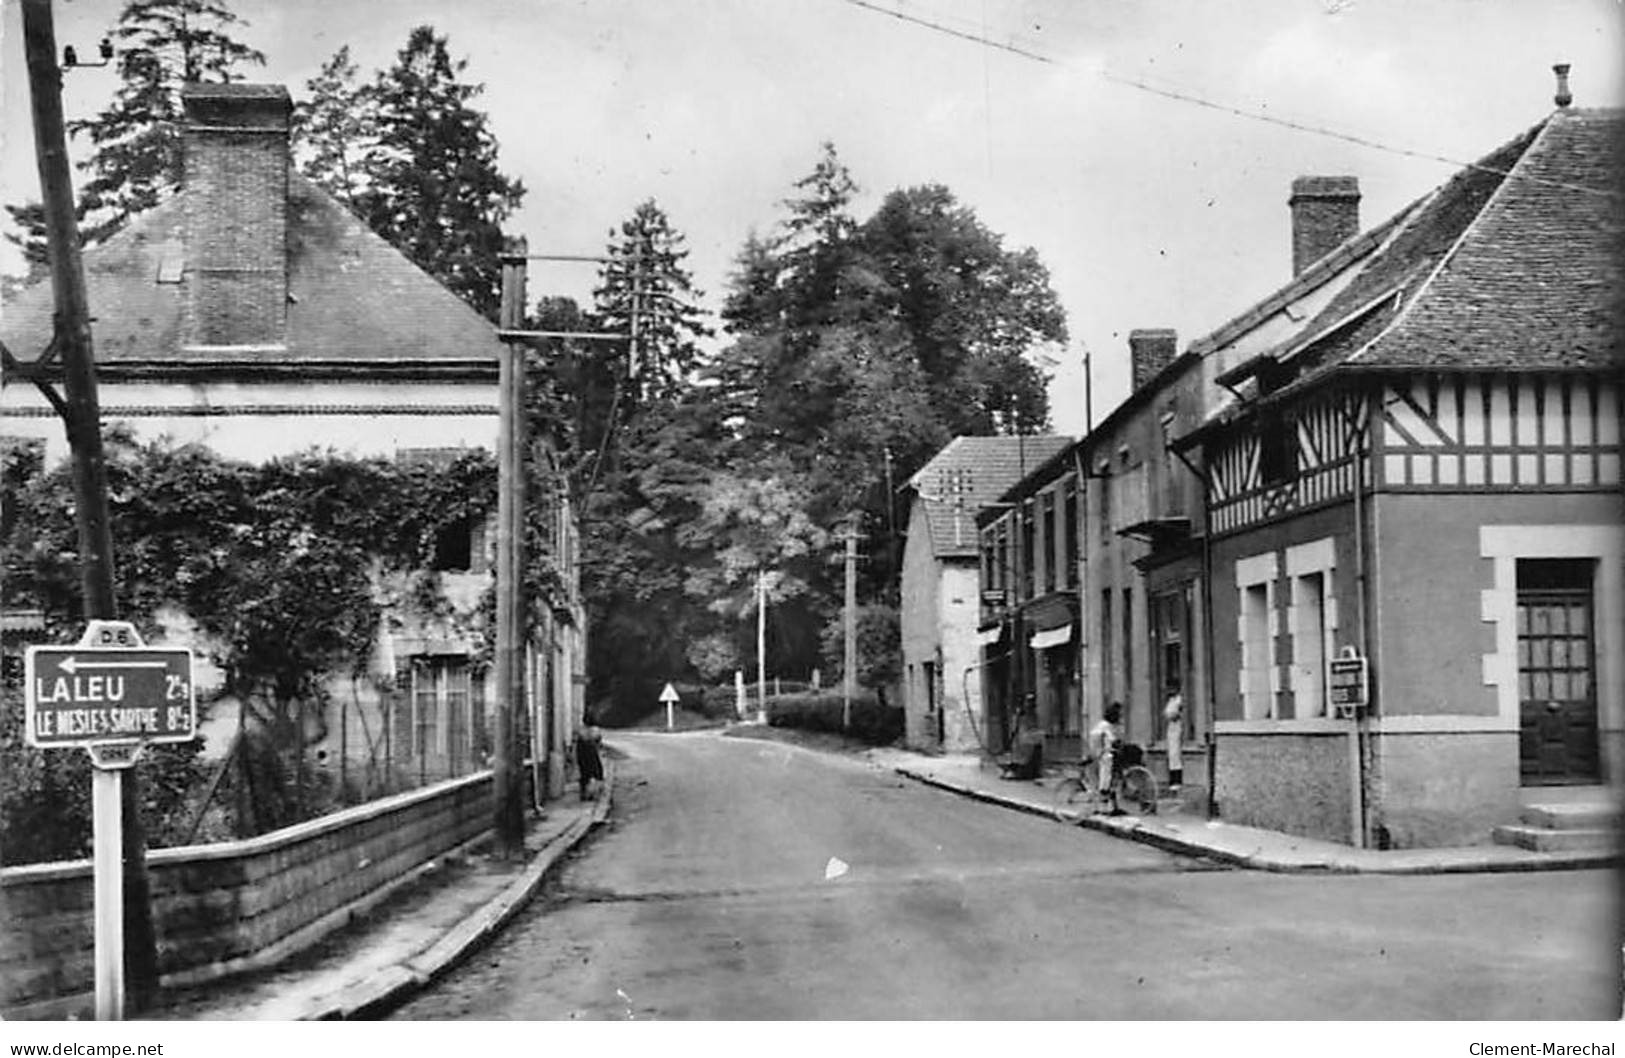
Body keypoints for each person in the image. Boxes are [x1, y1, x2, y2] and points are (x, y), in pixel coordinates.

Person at [1088, 702, 1125, 813]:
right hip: (1103, 754)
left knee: (1113, 778)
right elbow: (1111, 739)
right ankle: (1104, 797)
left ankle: (1113, 806)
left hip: (1104, 752)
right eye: (1120, 714)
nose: (1121, 716)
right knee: (1106, 775)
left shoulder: (1107, 725)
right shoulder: (1105, 726)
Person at [1163, 679, 1185, 792]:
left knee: (1175, 753)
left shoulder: (1179, 700)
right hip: (1171, 728)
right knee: (1171, 754)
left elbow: (1174, 714)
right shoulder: (1171, 700)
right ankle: (1172, 779)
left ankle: (1177, 780)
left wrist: (1172, 715)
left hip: (1177, 727)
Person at [574, 722, 604, 801]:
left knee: (585, 773)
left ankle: (586, 793)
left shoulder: (582, 732)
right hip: (588, 752)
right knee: (593, 772)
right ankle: (591, 793)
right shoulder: (593, 733)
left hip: (583, 753)